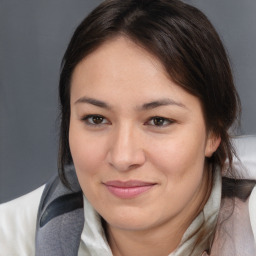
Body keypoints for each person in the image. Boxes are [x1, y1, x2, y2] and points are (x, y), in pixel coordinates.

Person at [0, 0, 256, 255]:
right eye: (96, 119)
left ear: (214, 132)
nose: (123, 157)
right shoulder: (11, 239)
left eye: (159, 121)